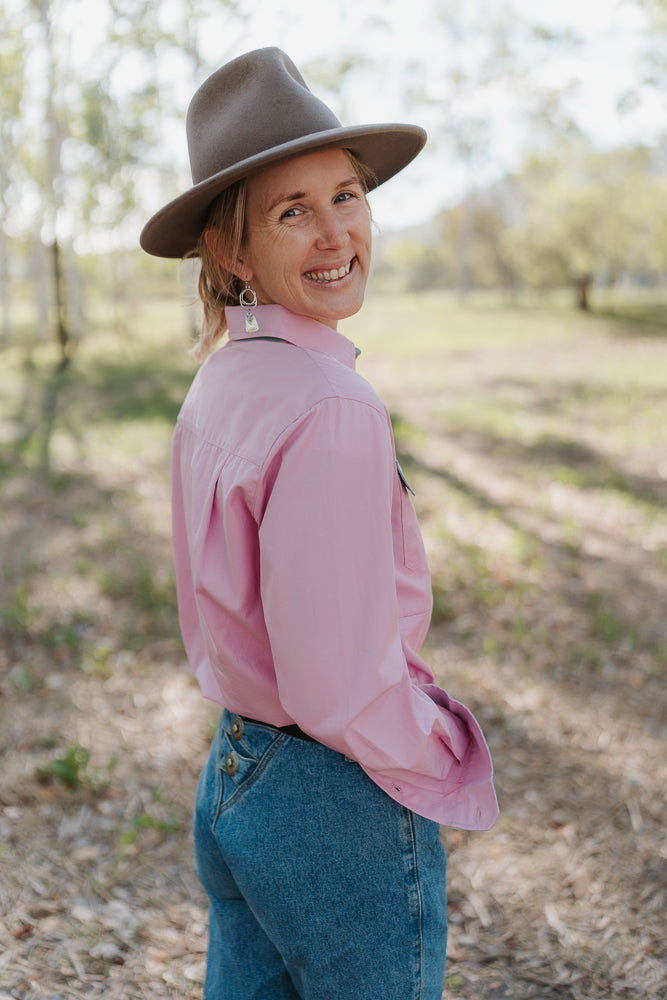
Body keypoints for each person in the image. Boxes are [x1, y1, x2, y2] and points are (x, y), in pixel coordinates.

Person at [140, 46, 498, 1000]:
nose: (336, 232)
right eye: (291, 212)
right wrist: (433, 745)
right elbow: (336, 684)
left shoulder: (225, 378)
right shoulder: (329, 408)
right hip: (332, 795)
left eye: (346, 195)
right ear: (231, 250)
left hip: (237, 772)